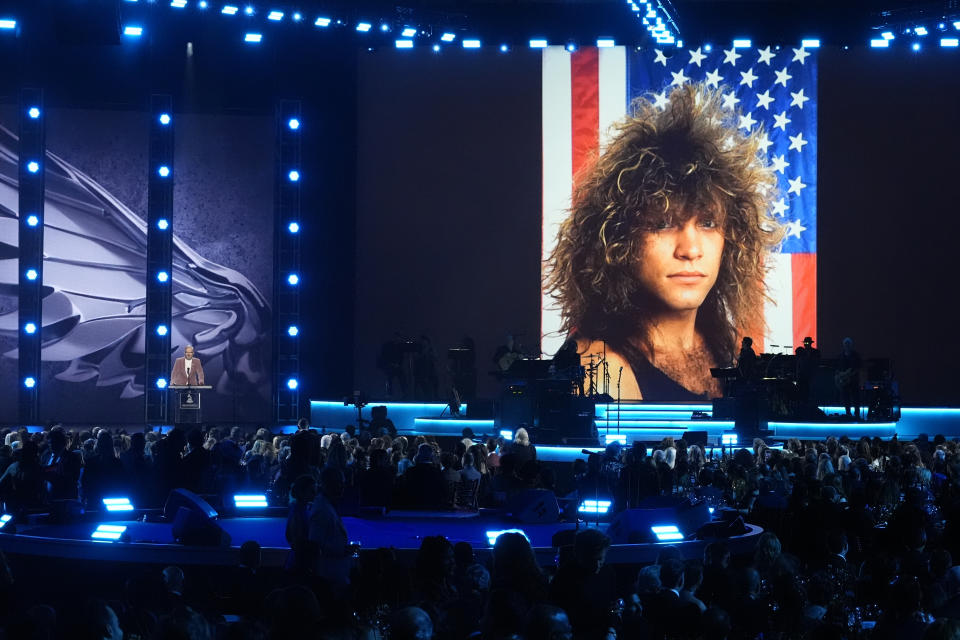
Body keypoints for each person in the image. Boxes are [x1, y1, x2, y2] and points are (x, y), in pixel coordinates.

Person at [544, 82, 784, 400]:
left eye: (708, 223)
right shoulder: (599, 369)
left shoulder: (716, 343)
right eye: (663, 224)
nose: (690, 250)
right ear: (619, 241)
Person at [837, 337, 862, 420]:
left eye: (848, 344)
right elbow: (838, 367)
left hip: (854, 380)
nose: (847, 346)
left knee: (856, 398)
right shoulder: (840, 355)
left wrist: (852, 374)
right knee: (846, 398)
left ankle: (857, 414)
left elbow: (859, 366)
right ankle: (848, 413)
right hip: (844, 381)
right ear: (843, 345)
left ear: (851, 345)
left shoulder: (856, 355)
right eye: (845, 344)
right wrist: (841, 375)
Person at [794, 336, 820, 402]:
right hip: (802, 378)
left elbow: (816, 363)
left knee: (811, 394)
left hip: (811, 377)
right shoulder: (800, 352)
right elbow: (798, 365)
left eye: (807, 343)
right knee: (802, 394)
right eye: (805, 343)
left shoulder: (815, 352)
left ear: (811, 343)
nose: (806, 344)